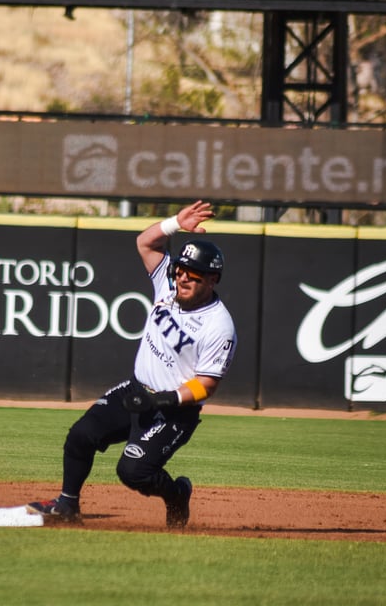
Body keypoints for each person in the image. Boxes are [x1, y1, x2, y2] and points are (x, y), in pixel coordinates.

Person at [27, 200, 236, 529]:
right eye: (179, 269)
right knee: (81, 435)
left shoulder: (219, 326)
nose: (182, 277)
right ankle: (67, 505)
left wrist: (164, 400)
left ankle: (177, 494)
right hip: (136, 390)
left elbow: (207, 384)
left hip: (174, 410)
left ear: (212, 279)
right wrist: (175, 223)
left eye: (193, 274)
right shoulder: (167, 286)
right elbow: (145, 242)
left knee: (133, 472)